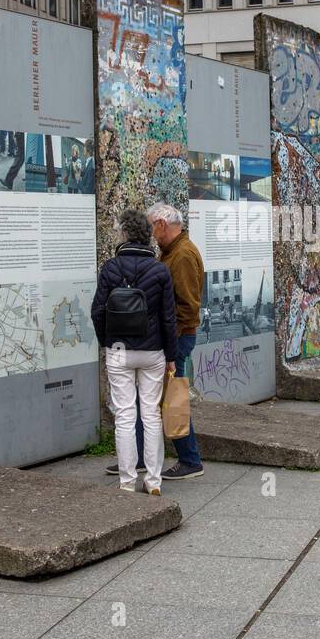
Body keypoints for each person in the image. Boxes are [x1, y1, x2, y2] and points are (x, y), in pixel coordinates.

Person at [105, 202, 207, 480]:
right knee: (149, 401)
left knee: (173, 400)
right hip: (170, 338)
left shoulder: (182, 255)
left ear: (161, 224)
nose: (149, 233)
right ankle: (137, 459)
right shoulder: (172, 253)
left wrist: (167, 341)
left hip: (177, 338)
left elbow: (187, 306)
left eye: (151, 227)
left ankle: (190, 459)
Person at [90, 208, 177, 495]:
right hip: (152, 351)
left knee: (125, 416)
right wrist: (171, 355)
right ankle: (153, 481)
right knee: (151, 415)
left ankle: (126, 482)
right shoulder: (160, 270)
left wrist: (108, 342)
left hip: (119, 351)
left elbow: (97, 312)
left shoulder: (110, 268)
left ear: (124, 234)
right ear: (147, 235)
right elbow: (168, 318)